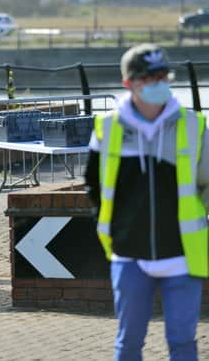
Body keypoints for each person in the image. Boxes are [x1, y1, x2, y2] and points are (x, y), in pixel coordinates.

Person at [85, 43, 209, 361]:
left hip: (183, 256)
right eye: (148, 78)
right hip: (129, 257)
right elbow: (95, 187)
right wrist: (116, 230)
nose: (157, 84)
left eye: (162, 76)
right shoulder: (107, 128)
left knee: (183, 342)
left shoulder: (194, 125)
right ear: (129, 83)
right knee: (128, 343)